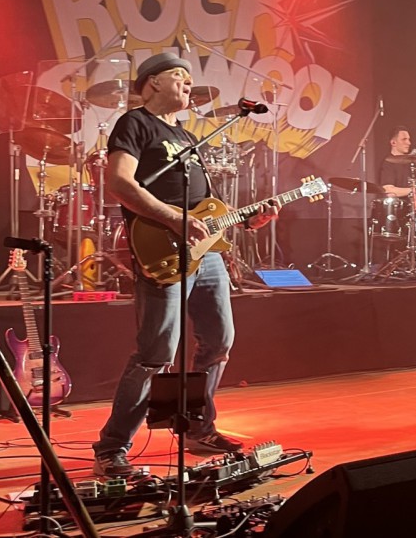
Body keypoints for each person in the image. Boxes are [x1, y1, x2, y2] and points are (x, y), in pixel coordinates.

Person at [92, 52, 279, 478]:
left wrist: (245, 219)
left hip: (205, 254)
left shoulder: (187, 136)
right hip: (162, 248)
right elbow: (119, 182)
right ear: (153, 82)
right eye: (180, 76)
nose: (189, 84)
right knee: (156, 353)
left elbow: (204, 208)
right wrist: (174, 218)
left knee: (219, 341)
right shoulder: (135, 123)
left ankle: (198, 428)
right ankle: (112, 447)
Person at [379, 125, 414, 197]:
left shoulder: (410, 163)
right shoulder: (388, 163)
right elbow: (389, 191)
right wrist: (413, 191)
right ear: (393, 143)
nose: (409, 143)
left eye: (408, 139)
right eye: (404, 139)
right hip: (398, 203)